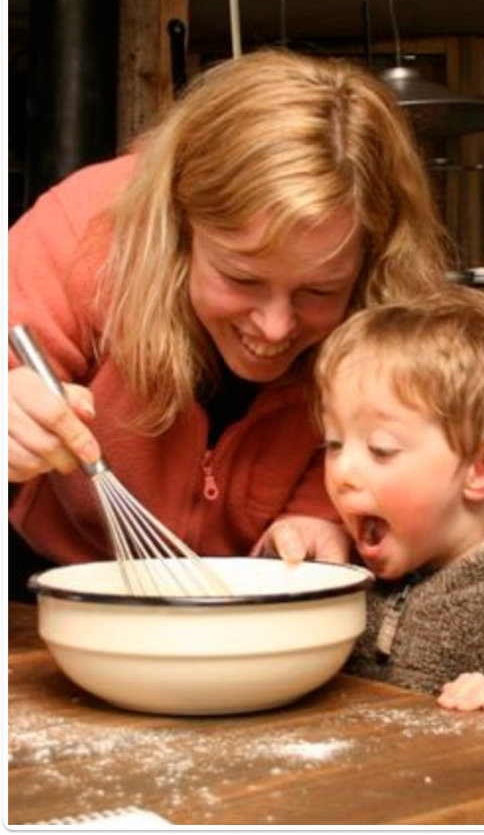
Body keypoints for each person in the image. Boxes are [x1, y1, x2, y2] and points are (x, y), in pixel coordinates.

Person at [7, 51, 448, 589]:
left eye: (318, 290)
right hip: (47, 583)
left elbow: (408, 448)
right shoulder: (82, 228)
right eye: (243, 280)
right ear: (181, 228)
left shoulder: (389, 297)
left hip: (263, 592)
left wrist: (324, 515)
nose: (274, 327)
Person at [314, 286, 484, 720]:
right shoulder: (341, 573)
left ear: (482, 470)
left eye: (380, 449)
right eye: (333, 444)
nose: (342, 472)